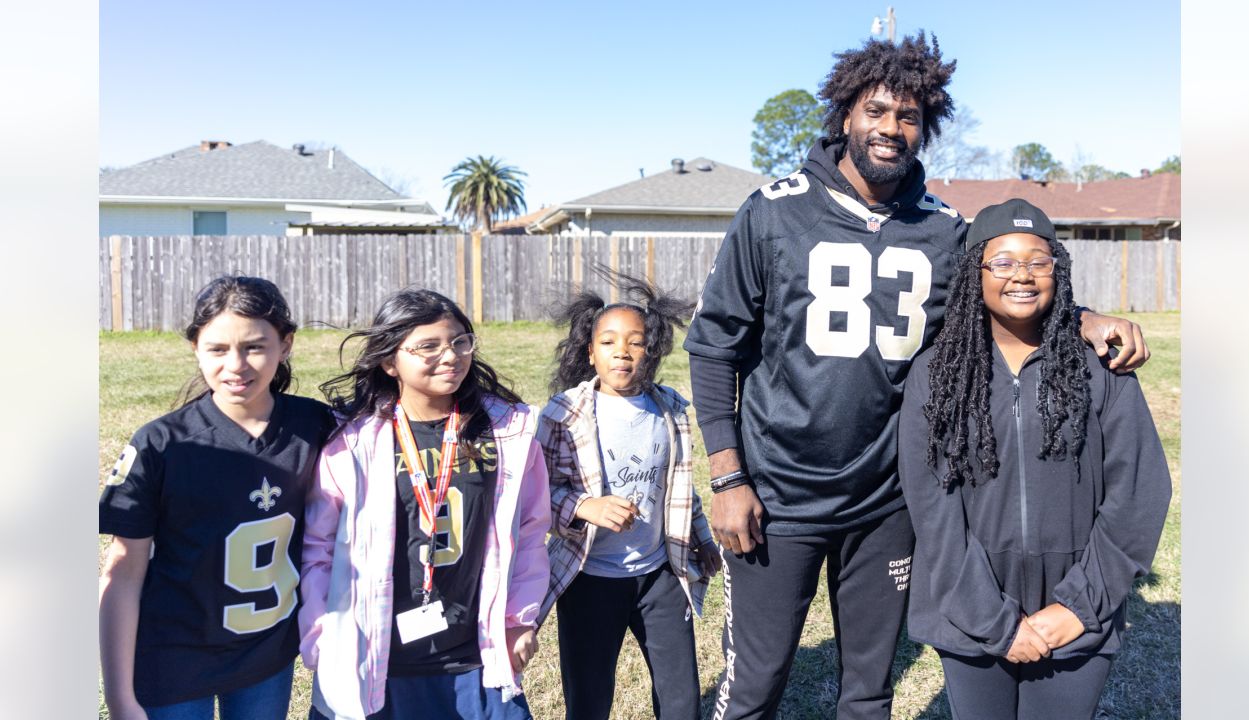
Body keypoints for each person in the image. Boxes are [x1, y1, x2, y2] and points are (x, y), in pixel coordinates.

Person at [682, 32, 1151, 720]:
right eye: (876, 111)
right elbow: (713, 347)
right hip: (776, 494)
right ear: (845, 115)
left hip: (886, 501)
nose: (890, 129)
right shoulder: (774, 210)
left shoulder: (942, 229)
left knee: (869, 694)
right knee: (754, 686)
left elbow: (1010, 279)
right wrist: (727, 477)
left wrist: (1081, 317)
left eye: (907, 117)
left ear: (923, 128)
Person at [898, 198, 1171, 719]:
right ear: (974, 273)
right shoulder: (937, 374)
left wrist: (1078, 606)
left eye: (1038, 261)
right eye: (1002, 261)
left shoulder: (1100, 370)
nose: (1021, 275)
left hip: (1074, 610)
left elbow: (1140, 491)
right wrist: (994, 620)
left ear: (1058, 272)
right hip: (970, 606)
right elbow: (933, 512)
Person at [300, 288, 550, 720]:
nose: (450, 356)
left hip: (476, 655)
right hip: (375, 658)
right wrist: (321, 635)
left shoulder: (508, 431)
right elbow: (317, 548)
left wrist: (519, 620)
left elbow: (530, 530)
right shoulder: (353, 442)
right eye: (428, 346)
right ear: (389, 360)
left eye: (459, 342)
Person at [98, 276, 335, 720]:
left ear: (285, 345)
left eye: (255, 346)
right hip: (174, 656)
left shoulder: (317, 425)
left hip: (266, 655)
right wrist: (119, 698)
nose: (237, 365)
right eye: (218, 349)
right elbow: (123, 572)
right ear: (195, 348)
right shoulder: (161, 444)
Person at [535, 271, 721, 720]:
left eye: (636, 342)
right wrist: (585, 506)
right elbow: (534, 497)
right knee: (589, 700)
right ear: (590, 352)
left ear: (651, 351)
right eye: (609, 341)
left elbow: (679, 489)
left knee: (681, 701)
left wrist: (703, 538)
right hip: (589, 580)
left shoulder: (670, 410)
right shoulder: (564, 414)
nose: (623, 351)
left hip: (661, 577)